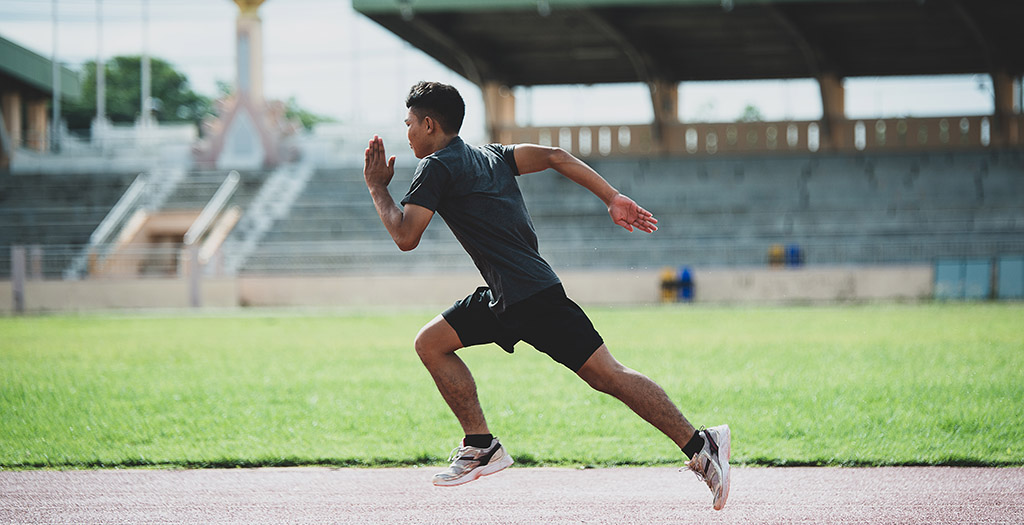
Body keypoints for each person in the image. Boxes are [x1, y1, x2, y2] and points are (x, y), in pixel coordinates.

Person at [363, 81, 731, 510]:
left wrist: (377, 187)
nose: (406, 133)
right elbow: (556, 156)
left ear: (429, 124)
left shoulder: (437, 167)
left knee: (607, 375)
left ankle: (700, 444)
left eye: (409, 123)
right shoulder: (493, 155)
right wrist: (611, 197)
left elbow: (407, 236)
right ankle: (480, 444)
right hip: (509, 295)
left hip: (531, 297)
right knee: (431, 343)